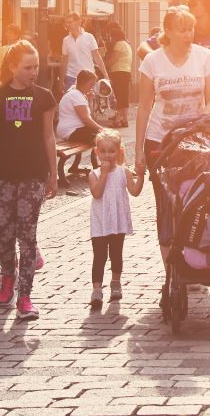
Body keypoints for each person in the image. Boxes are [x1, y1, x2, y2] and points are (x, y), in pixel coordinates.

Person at [0, 39, 57, 319]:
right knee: (5, 233)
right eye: (27, 67)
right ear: (12, 67)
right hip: (6, 175)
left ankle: (25, 296)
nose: (33, 72)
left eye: (36, 66)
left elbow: (49, 136)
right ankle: (7, 278)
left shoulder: (44, 97)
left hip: (34, 174)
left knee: (28, 234)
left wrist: (54, 174)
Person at [135, 6, 210, 265]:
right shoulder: (152, 62)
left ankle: (192, 260)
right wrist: (138, 150)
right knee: (166, 203)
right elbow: (144, 107)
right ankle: (171, 268)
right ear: (168, 31)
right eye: (182, 29)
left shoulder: (204, 57)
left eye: (191, 28)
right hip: (160, 139)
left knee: (194, 199)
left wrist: (201, 118)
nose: (188, 34)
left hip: (194, 140)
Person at [86, 129, 144, 310]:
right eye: (103, 151)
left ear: (119, 152)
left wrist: (141, 175)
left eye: (111, 151)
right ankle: (96, 290)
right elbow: (97, 193)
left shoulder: (123, 172)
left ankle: (115, 283)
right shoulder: (93, 174)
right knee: (100, 255)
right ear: (97, 152)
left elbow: (134, 191)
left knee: (116, 253)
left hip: (118, 221)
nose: (107, 155)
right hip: (101, 223)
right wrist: (103, 174)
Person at [57, 70, 109, 146]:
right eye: (91, 84)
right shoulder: (76, 95)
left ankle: (96, 156)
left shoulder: (78, 94)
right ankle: (97, 157)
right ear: (83, 82)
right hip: (71, 131)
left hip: (75, 130)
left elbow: (90, 117)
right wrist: (103, 129)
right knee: (104, 138)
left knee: (103, 137)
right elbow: (86, 119)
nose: (92, 87)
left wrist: (90, 100)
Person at [61, 13, 108, 98]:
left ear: (78, 22)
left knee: (87, 103)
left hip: (87, 77)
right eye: (66, 22)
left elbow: (97, 57)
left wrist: (105, 74)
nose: (68, 25)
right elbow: (64, 60)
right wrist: (61, 79)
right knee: (70, 104)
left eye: (70, 22)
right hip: (71, 77)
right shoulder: (66, 40)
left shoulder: (89, 37)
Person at [103, 22, 134, 128]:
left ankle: (117, 120)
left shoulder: (119, 44)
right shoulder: (127, 44)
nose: (110, 39)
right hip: (126, 72)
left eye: (111, 36)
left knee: (119, 97)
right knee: (124, 97)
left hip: (118, 72)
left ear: (115, 36)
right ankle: (124, 120)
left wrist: (103, 64)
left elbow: (113, 60)